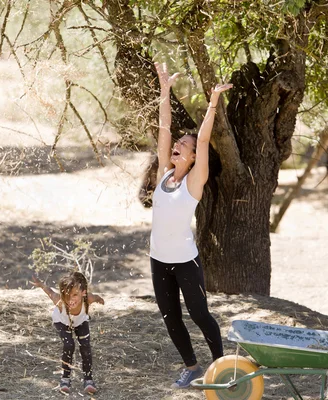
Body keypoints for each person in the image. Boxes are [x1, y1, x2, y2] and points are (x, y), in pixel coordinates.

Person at [150, 62, 233, 389]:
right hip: (159, 260)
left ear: (193, 157)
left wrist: (212, 101)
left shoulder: (195, 182)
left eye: (183, 145)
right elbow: (164, 127)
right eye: (177, 144)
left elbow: (204, 137)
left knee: (200, 316)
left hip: (186, 262)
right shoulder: (163, 174)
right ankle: (192, 366)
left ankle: (222, 367)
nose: (177, 146)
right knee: (171, 319)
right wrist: (165, 91)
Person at [31, 271, 104, 395]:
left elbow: (96, 297)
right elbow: (50, 292)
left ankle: (88, 380)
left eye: (75, 295)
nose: (71, 299)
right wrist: (41, 285)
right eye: (67, 295)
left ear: (83, 293)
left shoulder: (88, 299)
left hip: (80, 321)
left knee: (85, 346)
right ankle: (65, 379)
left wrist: (100, 299)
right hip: (62, 321)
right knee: (69, 345)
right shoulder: (59, 302)